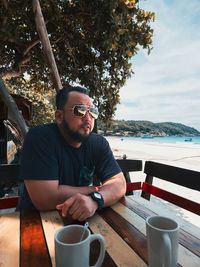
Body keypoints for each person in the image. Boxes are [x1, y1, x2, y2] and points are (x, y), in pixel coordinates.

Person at [17, 86, 126, 221]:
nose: (88, 118)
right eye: (79, 110)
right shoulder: (39, 138)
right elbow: (44, 199)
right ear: (59, 116)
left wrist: (96, 199)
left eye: (92, 112)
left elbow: (119, 183)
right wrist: (94, 190)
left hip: (82, 220)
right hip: (35, 222)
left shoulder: (98, 143)